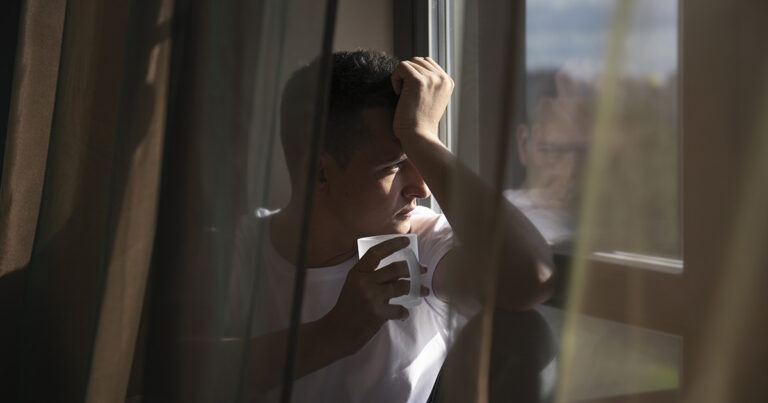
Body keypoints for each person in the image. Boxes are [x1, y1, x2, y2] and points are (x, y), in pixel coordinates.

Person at [232, 50, 555, 402]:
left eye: (420, 160)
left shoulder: (423, 245)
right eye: (396, 165)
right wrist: (331, 336)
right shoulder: (236, 252)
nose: (423, 188)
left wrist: (424, 139)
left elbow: (530, 278)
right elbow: (176, 365)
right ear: (320, 172)